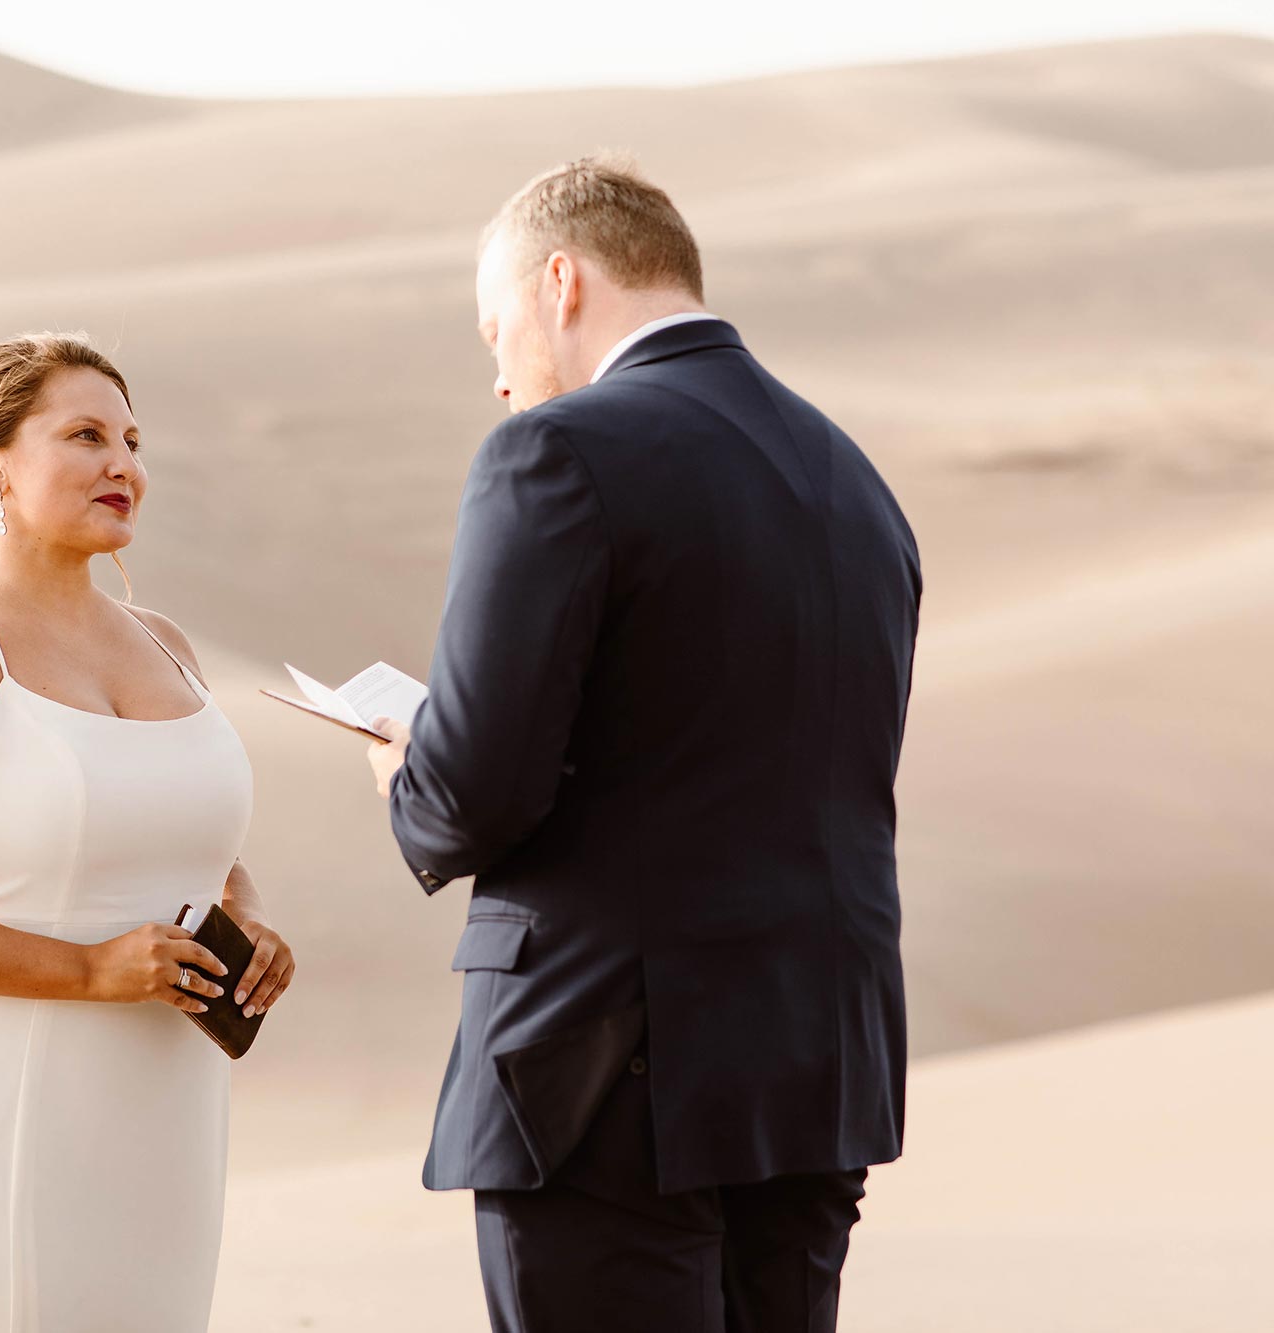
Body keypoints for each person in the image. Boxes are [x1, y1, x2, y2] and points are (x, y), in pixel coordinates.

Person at [363, 157, 921, 1333]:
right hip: (816, 1059)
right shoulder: (851, 480)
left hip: (604, 1068)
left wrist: (407, 769)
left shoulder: (555, 451)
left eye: (494, 326)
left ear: (558, 282)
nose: (500, 376)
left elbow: (474, 790)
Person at [0, 332, 295, 1332]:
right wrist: (88, 971)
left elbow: (189, 833)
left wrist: (245, 920)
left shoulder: (163, 643)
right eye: (84, 435)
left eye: (131, 439)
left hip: (162, 1117)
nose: (123, 464)